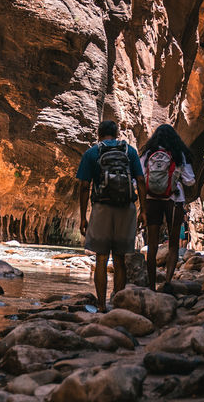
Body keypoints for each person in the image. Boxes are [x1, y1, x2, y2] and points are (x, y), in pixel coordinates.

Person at [76, 119, 146, 311]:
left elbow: (83, 186)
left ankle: (100, 305)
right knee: (120, 258)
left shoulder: (92, 153)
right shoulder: (129, 151)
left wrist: (83, 216)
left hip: (101, 208)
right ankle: (118, 305)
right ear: (116, 134)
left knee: (101, 257)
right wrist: (143, 211)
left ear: (99, 134)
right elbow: (140, 179)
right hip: (126, 208)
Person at [140, 123, 196, 290]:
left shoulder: (149, 153)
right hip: (174, 201)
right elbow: (190, 180)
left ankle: (150, 285)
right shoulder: (178, 154)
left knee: (152, 244)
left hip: (151, 200)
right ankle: (168, 282)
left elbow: (140, 178)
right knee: (173, 244)